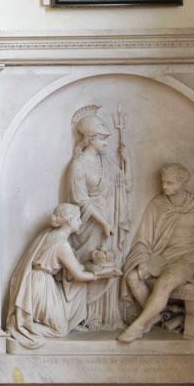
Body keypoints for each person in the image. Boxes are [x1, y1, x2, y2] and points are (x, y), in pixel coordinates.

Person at [118, 164, 194, 343]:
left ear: (182, 183)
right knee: (132, 277)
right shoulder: (158, 204)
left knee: (164, 284)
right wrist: (143, 260)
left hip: (185, 261)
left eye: (170, 183)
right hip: (160, 257)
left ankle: (138, 325)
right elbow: (144, 237)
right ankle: (153, 316)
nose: (164, 186)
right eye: (163, 182)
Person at [6, 204, 122, 350]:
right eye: (78, 219)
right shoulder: (62, 245)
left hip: (35, 280)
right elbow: (79, 275)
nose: (80, 222)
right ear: (69, 221)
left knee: (75, 293)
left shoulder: (48, 233)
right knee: (60, 330)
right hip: (41, 285)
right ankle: (21, 326)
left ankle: (25, 323)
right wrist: (105, 274)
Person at [64, 107, 132, 329]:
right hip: (91, 224)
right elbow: (81, 200)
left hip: (109, 216)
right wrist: (103, 223)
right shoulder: (78, 165)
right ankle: (88, 317)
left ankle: (107, 317)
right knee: (92, 264)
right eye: (102, 138)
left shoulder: (107, 161)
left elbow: (124, 186)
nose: (106, 141)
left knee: (109, 263)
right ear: (89, 138)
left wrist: (127, 161)